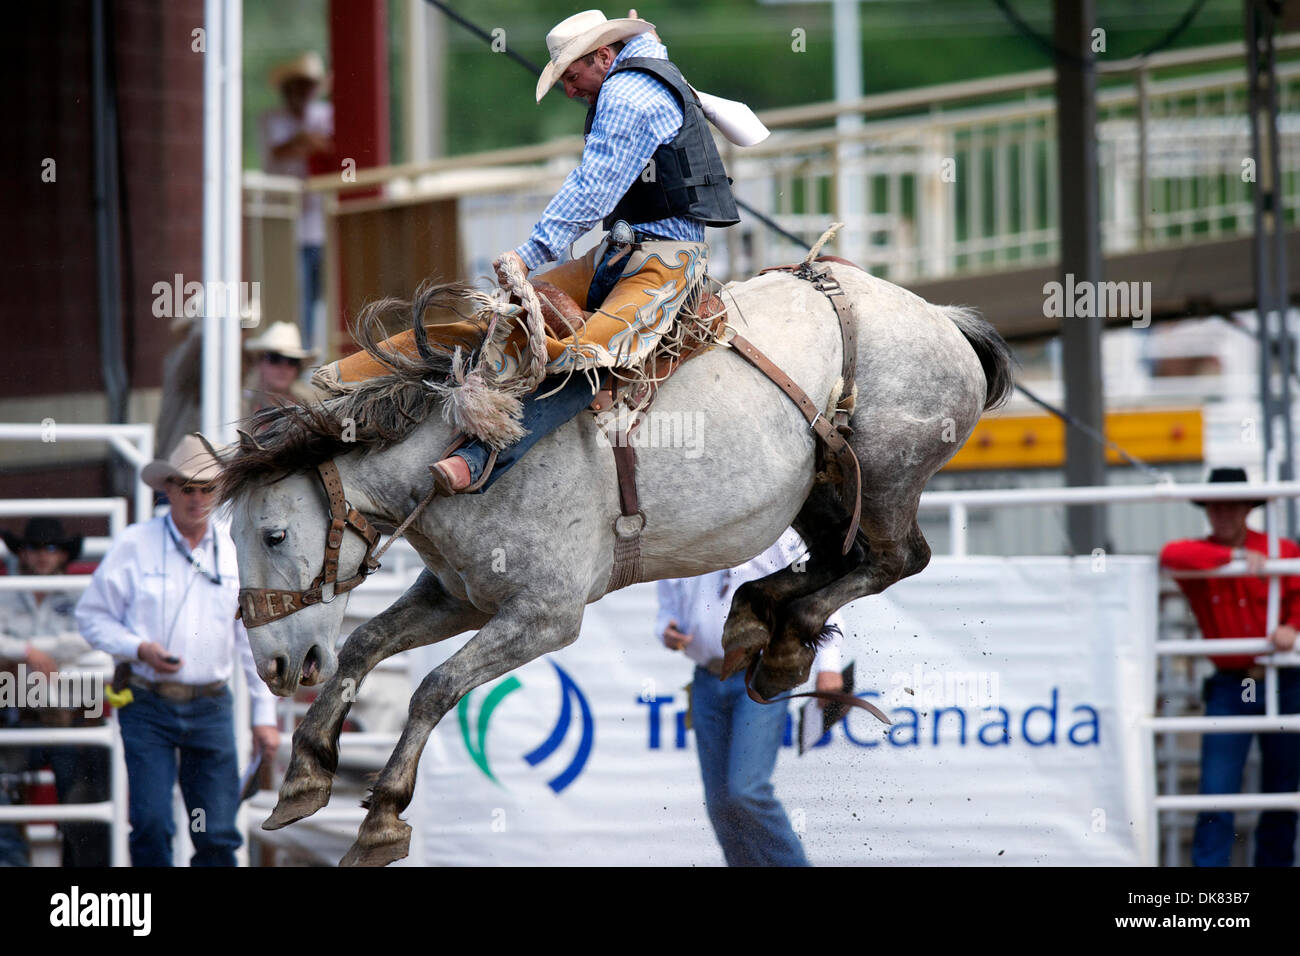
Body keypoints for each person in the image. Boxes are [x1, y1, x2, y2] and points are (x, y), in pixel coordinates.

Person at [312, 9, 740, 494]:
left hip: (664, 264)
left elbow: (593, 186)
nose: (571, 90)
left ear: (604, 55)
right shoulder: (644, 80)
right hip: (626, 254)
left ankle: (470, 448)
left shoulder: (627, 93)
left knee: (585, 356)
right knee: (504, 320)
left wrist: (531, 252)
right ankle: (364, 385)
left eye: (573, 76)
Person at [75, 435, 281, 866]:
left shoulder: (235, 547)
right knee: (151, 823)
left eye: (207, 488)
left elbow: (250, 639)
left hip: (210, 704)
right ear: (168, 489)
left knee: (217, 832)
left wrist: (264, 717)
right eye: (188, 487)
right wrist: (138, 648)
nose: (198, 497)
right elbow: (92, 617)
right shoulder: (135, 543)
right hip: (147, 701)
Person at [656, 528, 845, 866]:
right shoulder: (684, 535)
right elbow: (668, 607)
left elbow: (821, 596)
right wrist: (666, 630)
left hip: (762, 673)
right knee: (720, 803)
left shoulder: (777, 532)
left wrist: (829, 665)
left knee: (745, 791)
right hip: (707, 677)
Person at [1159, 467, 1300, 867]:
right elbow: (1171, 556)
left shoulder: (1283, 551)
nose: (1222, 512)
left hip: (1281, 680)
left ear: (1245, 508)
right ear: (1207, 510)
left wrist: (1292, 626)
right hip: (1234, 685)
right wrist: (1236, 558)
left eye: (1230, 504)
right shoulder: (1231, 553)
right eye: (1215, 505)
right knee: (1217, 790)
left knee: (1281, 789)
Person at [0, 518, 110, 867]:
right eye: (34, 548)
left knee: (84, 802)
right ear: (23, 553)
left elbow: (96, 637)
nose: (42, 556)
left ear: (63, 553)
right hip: (21, 715)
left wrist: (28, 652)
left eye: (50, 548)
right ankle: (12, 861)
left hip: (73, 717)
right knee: (4, 792)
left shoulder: (83, 592)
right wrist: (33, 654)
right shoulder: (7, 593)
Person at [260, 52, 334, 346]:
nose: (304, 92)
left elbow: (327, 149)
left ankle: (315, 356)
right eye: (298, 86)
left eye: (309, 85)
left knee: (322, 296)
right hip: (288, 228)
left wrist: (310, 142)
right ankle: (300, 357)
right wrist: (311, 141)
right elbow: (282, 150)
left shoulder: (324, 114)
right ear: (286, 90)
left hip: (322, 224)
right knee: (297, 298)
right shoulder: (272, 119)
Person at [241, 320, 321, 421]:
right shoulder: (241, 408)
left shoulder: (311, 410)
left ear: (298, 369)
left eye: (292, 361)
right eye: (274, 358)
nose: (283, 368)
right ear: (260, 362)